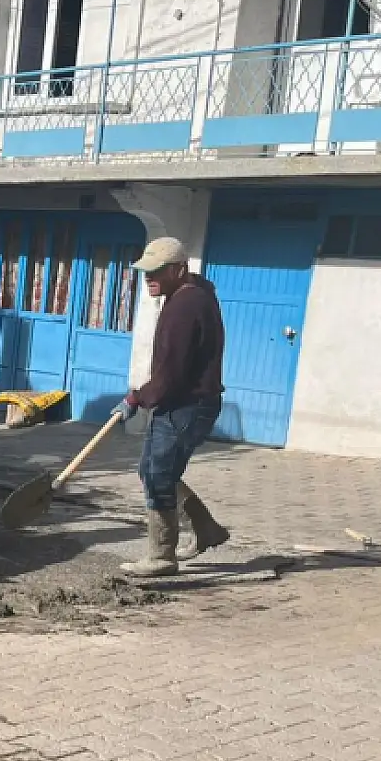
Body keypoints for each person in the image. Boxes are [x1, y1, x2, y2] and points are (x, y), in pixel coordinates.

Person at [115, 236, 231, 578]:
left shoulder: (185, 305)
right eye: (145, 271)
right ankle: (207, 529)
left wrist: (136, 398)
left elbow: (172, 370)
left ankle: (162, 556)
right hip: (182, 401)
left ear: (180, 269)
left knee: (159, 475)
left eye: (157, 271)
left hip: (187, 404)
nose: (149, 278)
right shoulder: (189, 294)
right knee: (151, 472)